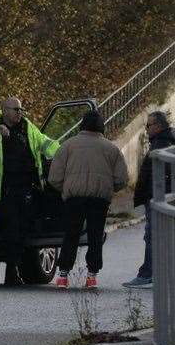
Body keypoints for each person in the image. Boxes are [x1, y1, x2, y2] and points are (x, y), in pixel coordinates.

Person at [48, 110, 128, 289]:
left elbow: (54, 177)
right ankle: (91, 276)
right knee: (95, 236)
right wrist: (108, 189)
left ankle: (63, 276)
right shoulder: (111, 149)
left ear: (82, 125)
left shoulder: (67, 146)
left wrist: (66, 189)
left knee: (71, 235)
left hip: (74, 199)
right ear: (101, 126)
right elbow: (122, 178)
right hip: (99, 199)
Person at [0, 96, 60, 285]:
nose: (20, 113)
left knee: (28, 228)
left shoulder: (28, 127)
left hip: (28, 187)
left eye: (21, 109)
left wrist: (65, 153)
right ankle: (11, 271)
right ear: (5, 110)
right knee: (12, 229)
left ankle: (21, 267)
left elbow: (46, 143)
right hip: (6, 189)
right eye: (16, 109)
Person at [123, 111, 175, 289]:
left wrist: (148, 195)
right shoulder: (164, 142)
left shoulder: (161, 145)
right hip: (159, 197)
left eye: (149, 125)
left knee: (153, 236)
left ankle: (148, 273)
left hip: (157, 198)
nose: (146, 129)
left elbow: (156, 175)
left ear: (159, 126)